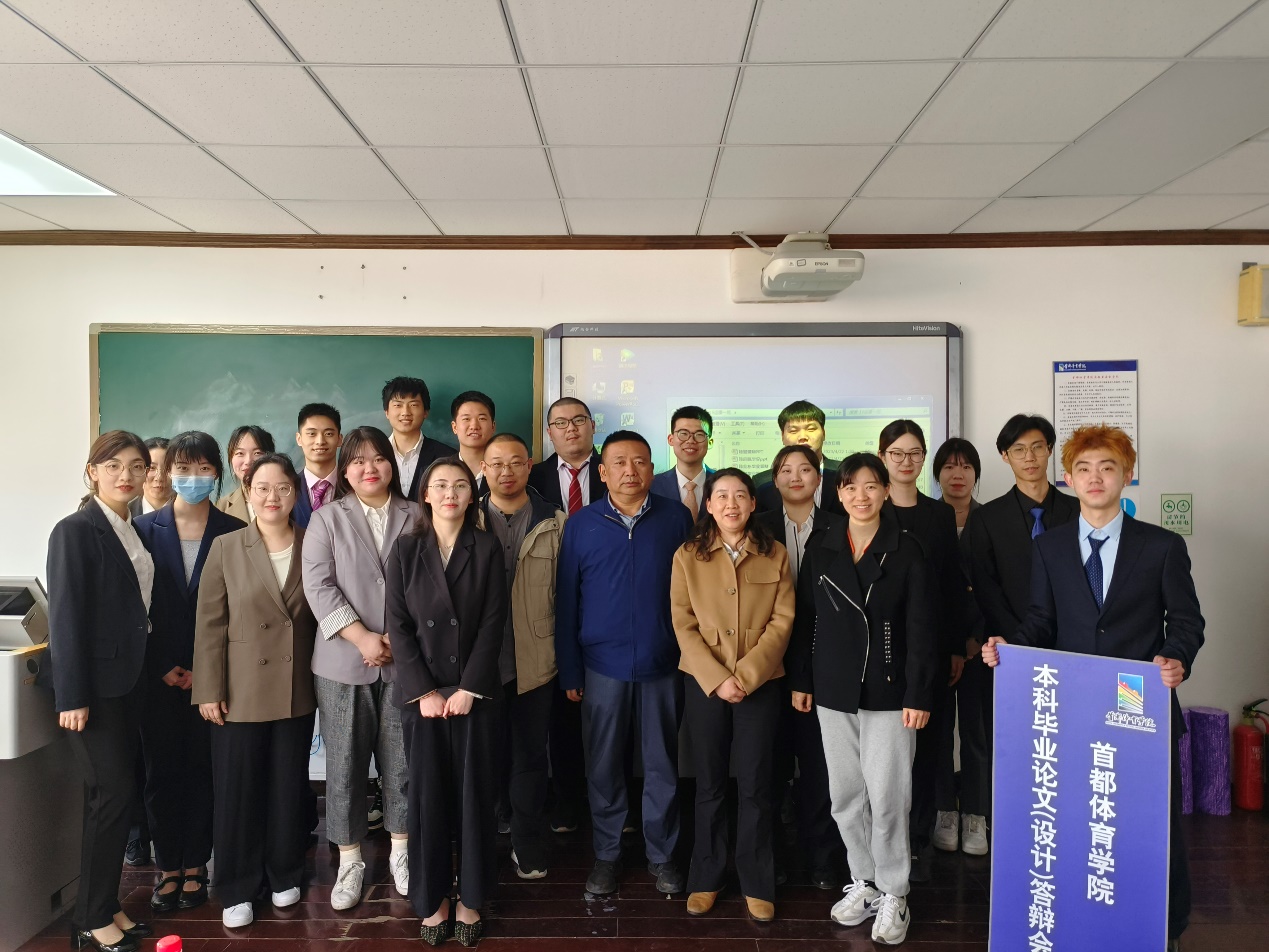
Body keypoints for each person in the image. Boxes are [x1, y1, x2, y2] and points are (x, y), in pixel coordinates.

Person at [983, 425, 1204, 952]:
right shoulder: (1050, 547)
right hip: (1074, 713)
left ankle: (1165, 927)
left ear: (1127, 475)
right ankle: (1084, 918)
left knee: (1150, 825)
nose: (1095, 478)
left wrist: (1176, 657)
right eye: (1083, 469)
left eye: (1107, 467)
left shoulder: (1162, 545)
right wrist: (1009, 648)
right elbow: (1041, 621)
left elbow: (1186, 621)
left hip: (1140, 710)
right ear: (1068, 477)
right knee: (1085, 821)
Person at [786, 453, 937, 947]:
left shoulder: (906, 549)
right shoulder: (823, 545)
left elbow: (922, 628)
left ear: (886, 491)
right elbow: (806, 619)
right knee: (846, 795)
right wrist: (803, 679)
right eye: (851, 487)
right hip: (833, 690)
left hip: (889, 692)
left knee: (889, 796)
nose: (861, 496)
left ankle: (895, 890)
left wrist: (918, 691)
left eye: (871, 486)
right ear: (838, 493)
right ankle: (865, 880)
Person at [555, 430, 693, 897]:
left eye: (639, 462)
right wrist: (571, 669)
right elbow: (567, 602)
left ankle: (663, 854)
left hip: (663, 663)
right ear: (603, 472)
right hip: (601, 667)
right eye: (619, 462)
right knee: (603, 765)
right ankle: (608, 853)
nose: (630, 471)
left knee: (662, 765)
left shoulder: (676, 518)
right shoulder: (582, 524)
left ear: (652, 469)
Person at [385, 458, 507, 947]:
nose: (450, 493)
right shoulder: (405, 548)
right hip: (424, 699)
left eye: (460, 485)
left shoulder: (487, 547)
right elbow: (398, 625)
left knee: (476, 797)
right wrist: (424, 691)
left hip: (474, 694)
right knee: (427, 798)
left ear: (471, 495)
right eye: (440, 485)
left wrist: (469, 688)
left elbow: (494, 621)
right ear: (425, 494)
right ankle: (433, 900)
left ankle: (471, 899)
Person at [193, 453, 317, 928]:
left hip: (294, 687)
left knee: (287, 787)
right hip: (238, 690)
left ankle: (284, 872)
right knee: (238, 791)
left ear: (295, 493)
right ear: (247, 492)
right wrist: (208, 689)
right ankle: (237, 887)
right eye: (262, 488)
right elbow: (209, 624)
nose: (272, 497)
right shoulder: (226, 546)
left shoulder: (313, 543)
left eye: (282, 488)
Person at [301, 426, 418, 910]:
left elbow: (430, 581)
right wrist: (364, 638)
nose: (369, 468)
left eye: (378, 458)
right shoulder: (326, 518)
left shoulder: (417, 514)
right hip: (342, 663)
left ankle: (402, 853)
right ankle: (350, 861)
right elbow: (318, 586)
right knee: (345, 766)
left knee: (403, 763)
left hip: (406, 661)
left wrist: (397, 640)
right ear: (344, 470)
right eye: (357, 460)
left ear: (392, 463)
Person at [47, 431, 155, 952]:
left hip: (127, 685)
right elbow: (65, 617)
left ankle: (106, 903)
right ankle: (89, 919)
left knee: (117, 795)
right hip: (92, 690)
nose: (125, 475)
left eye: (136, 466)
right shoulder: (75, 530)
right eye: (113, 465)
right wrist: (71, 696)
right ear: (92, 471)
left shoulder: (131, 528)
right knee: (109, 797)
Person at [672, 469, 794, 922]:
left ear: (753, 503)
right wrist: (718, 678)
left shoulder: (774, 552)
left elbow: (783, 621)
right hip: (705, 683)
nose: (731, 504)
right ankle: (706, 876)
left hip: (759, 684)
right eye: (721, 496)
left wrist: (745, 676)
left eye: (740, 495)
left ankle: (757, 882)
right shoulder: (687, 555)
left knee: (757, 784)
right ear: (708, 505)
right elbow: (682, 623)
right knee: (708, 784)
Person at [131, 432, 243, 913]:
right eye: (182, 468)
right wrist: (162, 666)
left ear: (217, 473)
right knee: (160, 772)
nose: (191, 478)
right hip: (156, 674)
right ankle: (168, 867)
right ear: (166, 472)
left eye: (202, 469)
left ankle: (196, 864)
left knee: (203, 771)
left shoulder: (235, 530)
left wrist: (207, 669)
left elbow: (239, 609)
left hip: (212, 676)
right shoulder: (141, 529)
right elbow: (133, 607)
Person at [876, 419, 967, 883]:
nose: (906, 461)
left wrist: (954, 647)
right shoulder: (869, 509)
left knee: (928, 747)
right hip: (880, 651)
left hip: (929, 648)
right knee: (885, 752)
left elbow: (951, 586)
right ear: (882, 457)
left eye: (914, 453)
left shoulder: (938, 515)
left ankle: (916, 838)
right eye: (897, 453)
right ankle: (883, 841)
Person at [754, 444, 847, 890]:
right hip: (766, 664)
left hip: (822, 663)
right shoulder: (757, 527)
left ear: (819, 478)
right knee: (769, 769)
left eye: (805, 469)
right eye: (786, 470)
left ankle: (822, 858)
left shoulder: (840, 528)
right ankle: (772, 859)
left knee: (819, 769)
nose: (796, 477)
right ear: (774, 480)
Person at [478, 433, 568, 879]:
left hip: (535, 662)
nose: (506, 471)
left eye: (515, 462)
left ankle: (526, 842)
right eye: (496, 463)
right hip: (479, 665)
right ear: (483, 469)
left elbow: (569, 597)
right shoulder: (465, 516)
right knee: (482, 758)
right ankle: (481, 846)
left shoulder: (556, 520)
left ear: (529, 466)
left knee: (530, 758)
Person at [526, 396, 605, 832]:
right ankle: (569, 803)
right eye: (560, 422)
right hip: (548, 604)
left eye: (578, 420)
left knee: (612, 710)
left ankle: (614, 802)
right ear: (549, 432)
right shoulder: (532, 477)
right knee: (561, 711)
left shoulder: (615, 469)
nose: (570, 428)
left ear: (593, 426)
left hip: (605, 601)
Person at [930, 437, 989, 856]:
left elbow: (997, 587)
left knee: (976, 733)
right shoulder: (928, 518)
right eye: (949, 466)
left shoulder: (991, 520)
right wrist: (948, 642)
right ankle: (943, 810)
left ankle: (976, 813)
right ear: (937, 474)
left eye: (966, 467)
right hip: (935, 646)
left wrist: (975, 640)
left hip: (982, 649)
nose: (957, 474)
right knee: (936, 733)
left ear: (976, 474)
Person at [754, 400, 844, 517]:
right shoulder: (762, 482)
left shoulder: (845, 472)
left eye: (811, 429)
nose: (803, 437)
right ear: (782, 436)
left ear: (823, 433)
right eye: (793, 431)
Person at [382, 376, 456, 503]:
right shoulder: (374, 454)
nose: (405, 412)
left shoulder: (447, 456)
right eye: (398, 405)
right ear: (387, 412)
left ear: (425, 412)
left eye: (413, 405)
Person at [651, 406, 715, 519]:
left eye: (699, 435)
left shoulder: (722, 483)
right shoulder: (652, 486)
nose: (690, 441)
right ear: (671, 439)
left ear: (710, 442)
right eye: (683, 433)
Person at [292, 403, 343, 529]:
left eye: (328, 434)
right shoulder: (289, 488)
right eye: (312, 434)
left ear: (339, 439)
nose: (320, 441)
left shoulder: (354, 486)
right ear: (299, 439)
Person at [217, 425, 275, 523]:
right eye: (240, 453)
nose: (248, 461)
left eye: (257, 453)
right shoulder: (220, 508)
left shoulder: (289, 498)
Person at [450, 391, 496, 494]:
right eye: (466, 419)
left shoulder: (506, 471)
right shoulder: (439, 470)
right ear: (454, 427)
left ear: (493, 426)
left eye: (482, 418)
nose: (474, 426)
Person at [129, 437, 172, 518]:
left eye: (168, 468)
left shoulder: (193, 514)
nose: (159, 477)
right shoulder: (124, 515)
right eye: (152, 468)